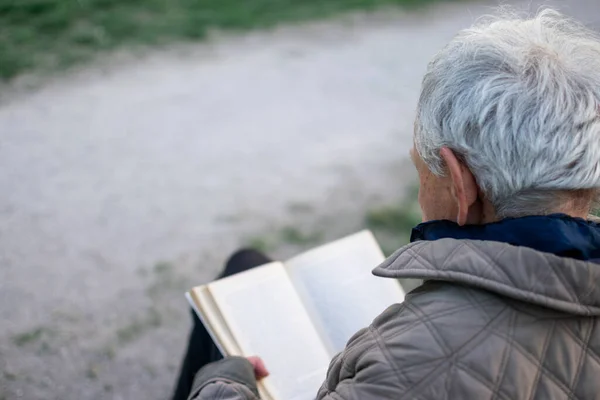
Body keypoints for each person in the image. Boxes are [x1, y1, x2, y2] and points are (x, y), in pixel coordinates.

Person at [174, 8, 600, 400]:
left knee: (227, 323)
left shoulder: (410, 364)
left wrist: (222, 381)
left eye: (420, 168)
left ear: (460, 183)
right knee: (246, 264)